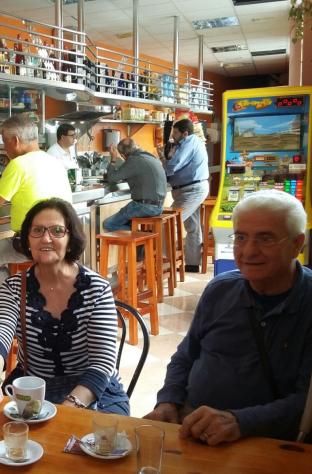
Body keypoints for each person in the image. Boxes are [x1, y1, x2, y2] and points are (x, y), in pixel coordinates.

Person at [144, 190, 312, 445]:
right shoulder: (220, 289)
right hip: (193, 426)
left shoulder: (306, 301)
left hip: (265, 441)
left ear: (297, 244)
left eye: (265, 238)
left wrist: (239, 421)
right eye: (241, 237)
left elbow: (306, 403)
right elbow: (185, 356)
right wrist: (168, 400)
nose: (248, 251)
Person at [0, 198, 129, 415]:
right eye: (37, 231)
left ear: (71, 239)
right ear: (27, 240)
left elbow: (102, 362)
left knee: (98, 435)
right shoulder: (14, 287)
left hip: (91, 388)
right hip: (33, 387)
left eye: (57, 231)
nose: (45, 238)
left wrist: (68, 409)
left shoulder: (96, 288)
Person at [0, 114, 72, 289]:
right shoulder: (53, 161)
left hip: (32, 242)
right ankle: (29, 294)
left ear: (15, 140)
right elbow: (30, 187)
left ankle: (20, 299)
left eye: (4, 142)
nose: (4, 147)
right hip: (62, 240)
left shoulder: (18, 164)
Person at [157, 118, 209, 272]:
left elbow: (173, 166)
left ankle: (165, 264)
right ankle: (192, 264)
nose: (173, 136)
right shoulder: (190, 142)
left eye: (175, 132)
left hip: (192, 190)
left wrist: (162, 159)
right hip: (190, 189)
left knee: (167, 223)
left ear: (185, 133)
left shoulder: (189, 142)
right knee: (192, 227)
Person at [103, 137, 167, 231]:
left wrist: (113, 158)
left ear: (123, 155)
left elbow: (111, 178)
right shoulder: (150, 156)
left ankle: (139, 236)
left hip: (144, 207)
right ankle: (140, 236)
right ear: (136, 146)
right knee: (128, 221)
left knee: (108, 224)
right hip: (159, 206)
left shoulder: (133, 160)